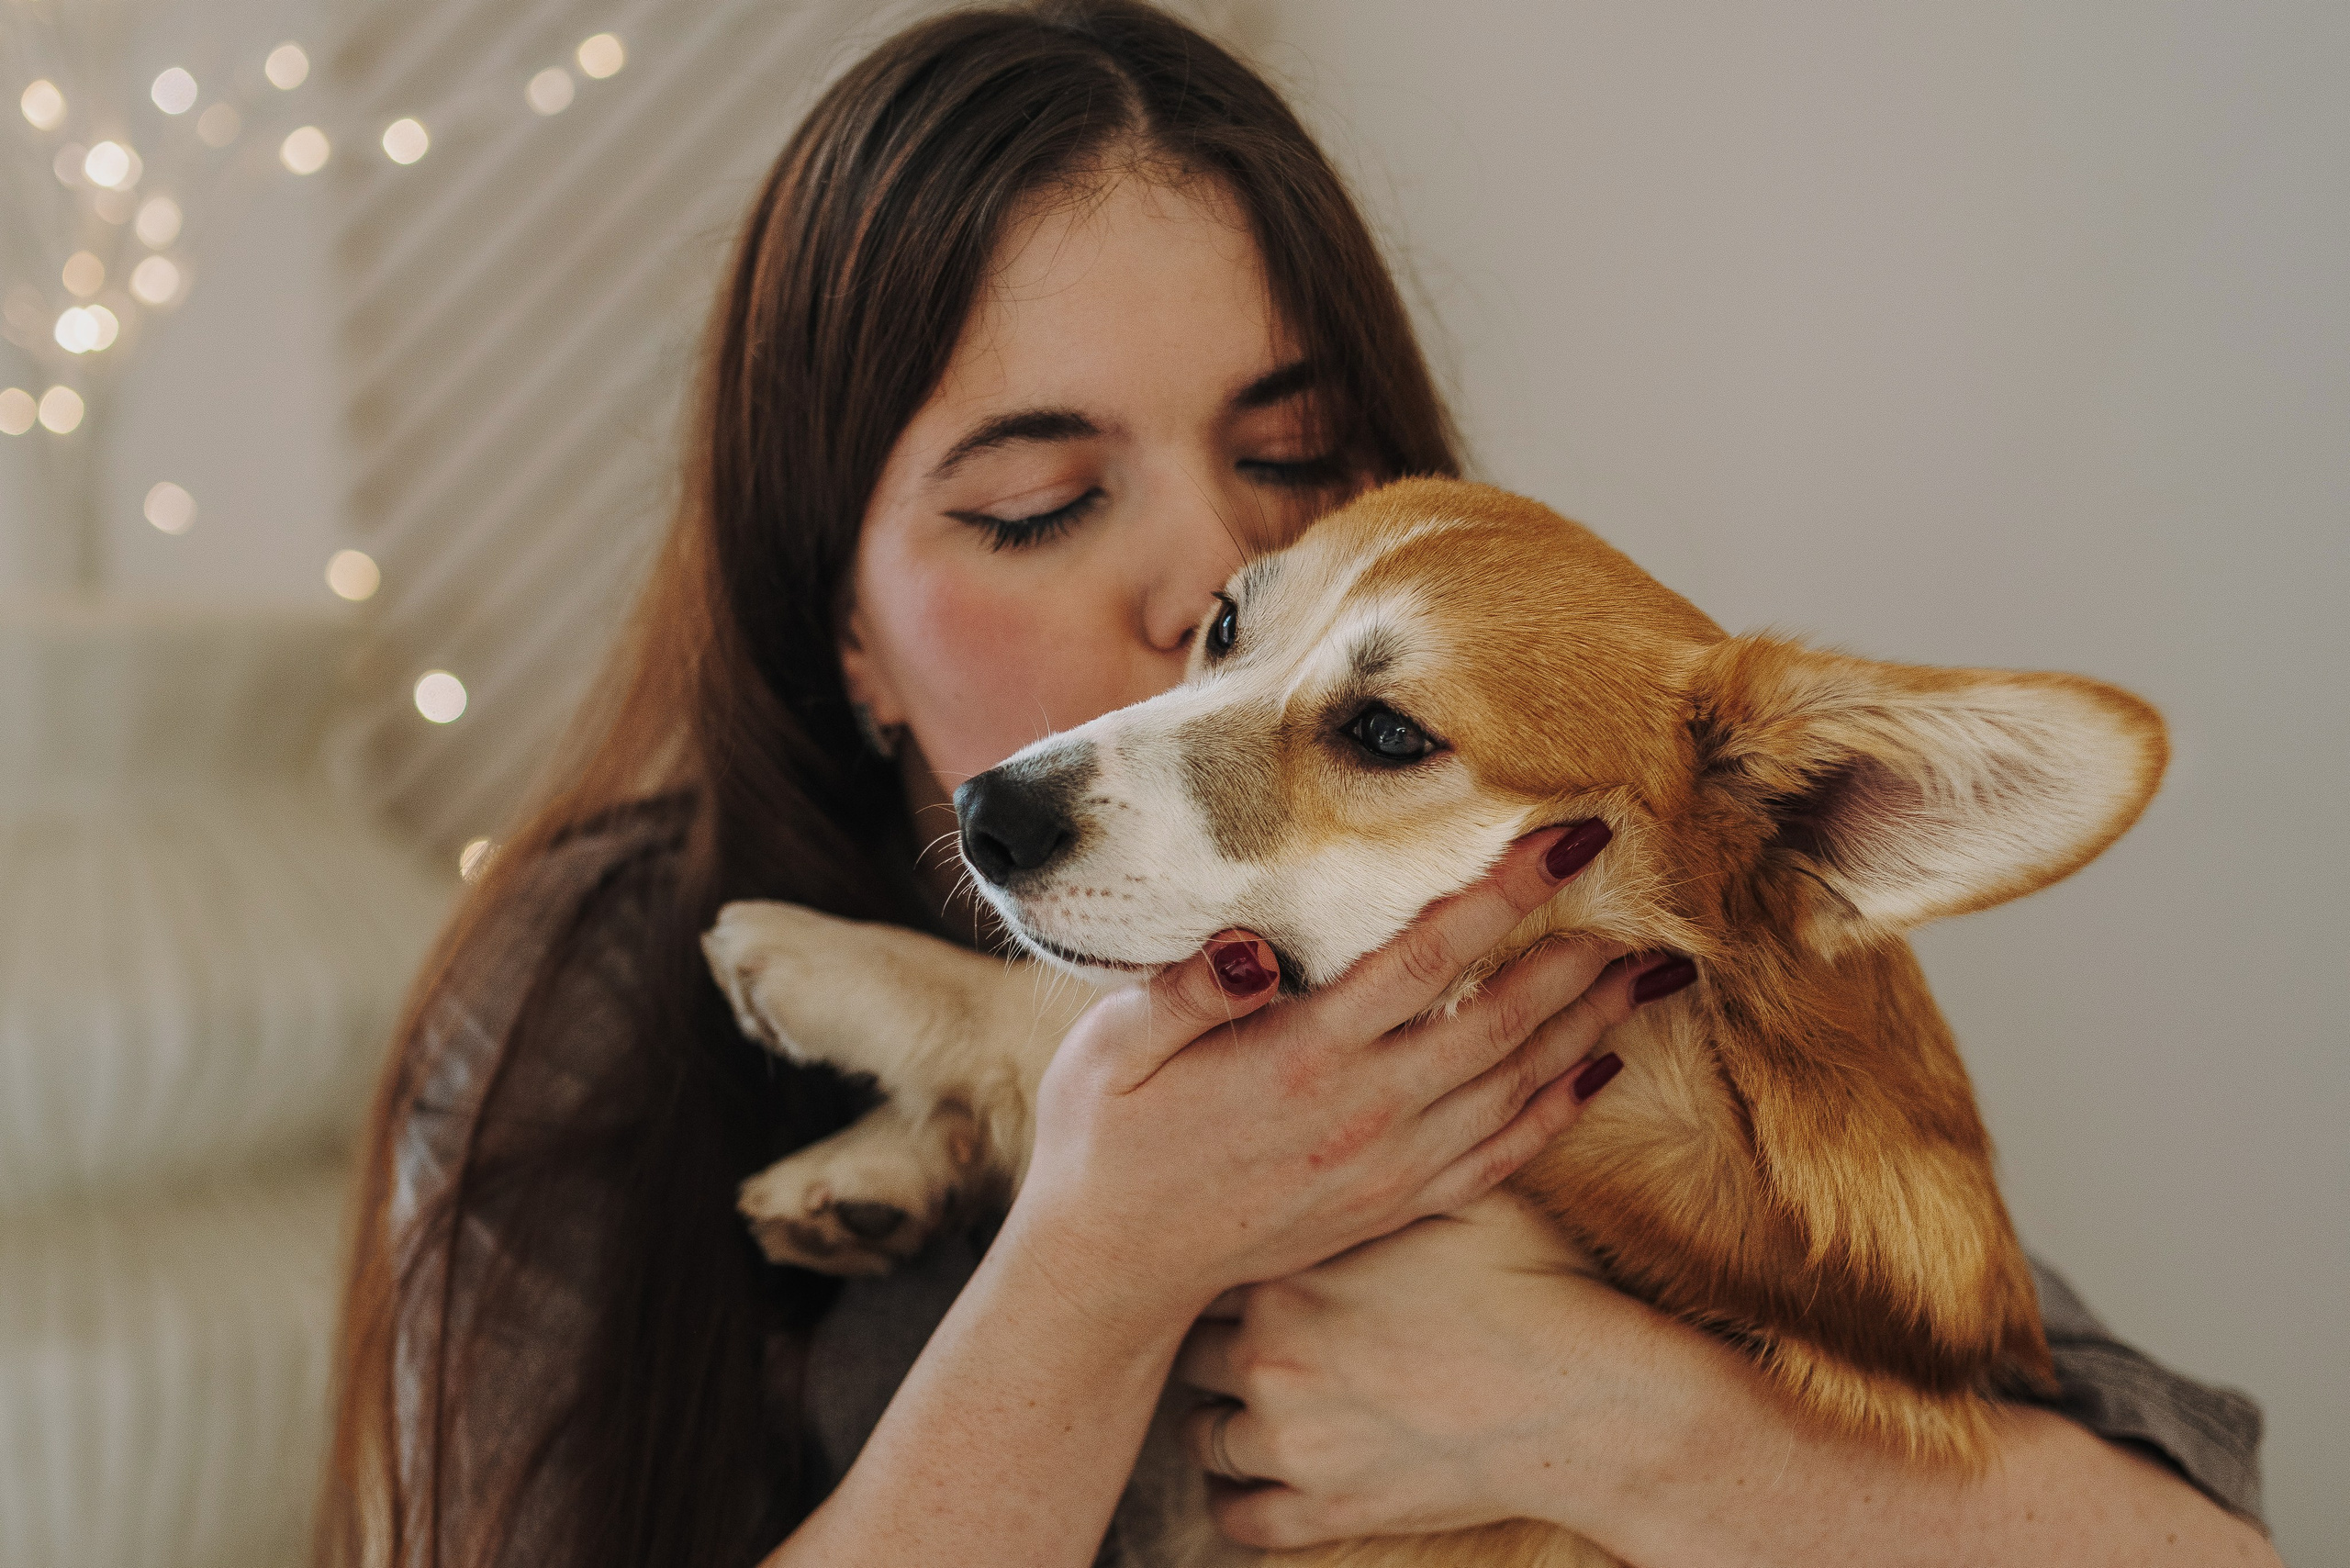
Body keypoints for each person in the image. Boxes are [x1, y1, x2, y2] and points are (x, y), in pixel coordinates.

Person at [318, 5, 2273, 1566]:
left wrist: (1604, 1412)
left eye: (1291, 457)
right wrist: (1093, 1268)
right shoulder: (591, 985)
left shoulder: (1589, 932)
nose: (1201, 600)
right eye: (1036, 503)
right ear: (833, 617)